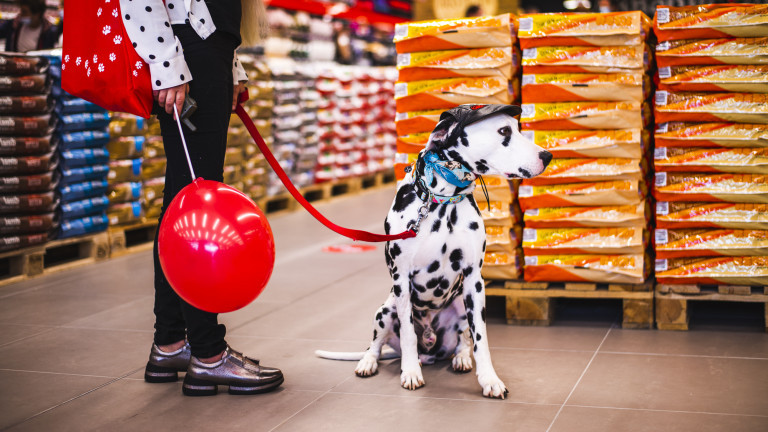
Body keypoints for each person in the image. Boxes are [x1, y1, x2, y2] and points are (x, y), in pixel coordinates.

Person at [119, 0, 283, 397]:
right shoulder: (179, 54)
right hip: (188, 52)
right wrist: (165, 61)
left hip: (204, 51)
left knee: (182, 198)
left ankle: (171, 343)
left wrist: (229, 65)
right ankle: (208, 354)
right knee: (197, 202)